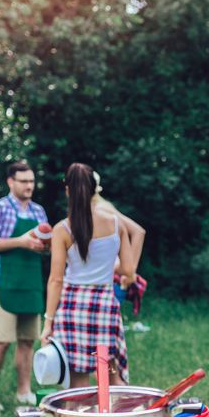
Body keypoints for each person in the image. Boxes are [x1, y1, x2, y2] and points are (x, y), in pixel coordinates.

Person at [41, 163, 135, 387]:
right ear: (95, 190)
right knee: (110, 373)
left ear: (67, 190)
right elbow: (129, 271)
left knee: (78, 378)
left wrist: (48, 323)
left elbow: (56, 280)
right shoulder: (116, 224)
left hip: (73, 308)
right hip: (104, 305)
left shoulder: (62, 229)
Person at [0, 161, 49, 410]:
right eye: (24, 181)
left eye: (31, 181)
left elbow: (44, 243)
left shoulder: (39, 212)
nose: (29, 186)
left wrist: (44, 246)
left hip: (30, 282)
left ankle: (24, 391)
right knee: (2, 340)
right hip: (3, 282)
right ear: (11, 182)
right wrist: (20, 241)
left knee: (28, 340)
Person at [91, 172, 146, 315]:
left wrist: (130, 271)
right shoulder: (88, 210)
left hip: (108, 279)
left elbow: (138, 232)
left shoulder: (100, 209)